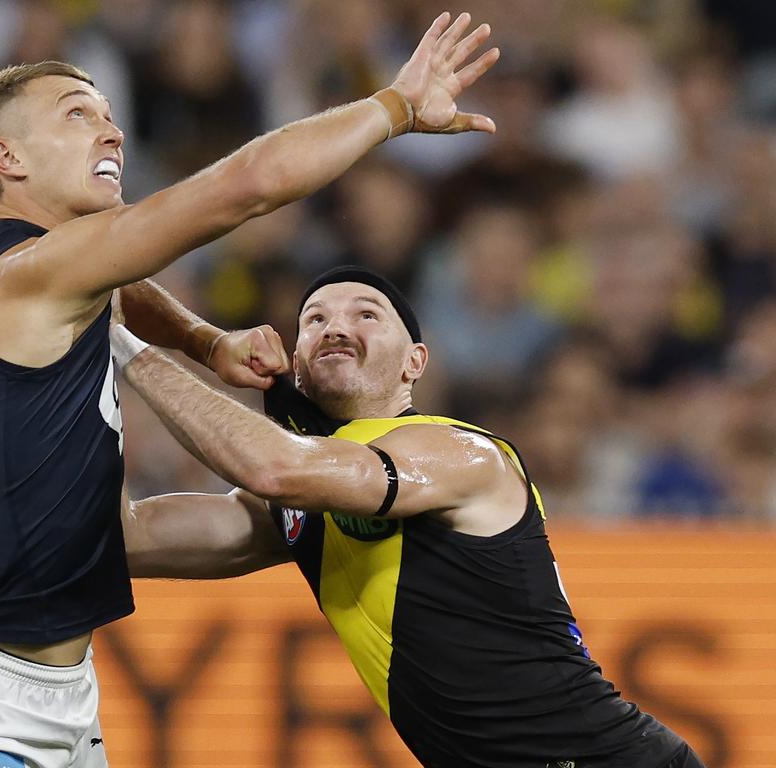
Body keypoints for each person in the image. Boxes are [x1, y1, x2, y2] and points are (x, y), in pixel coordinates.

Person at [0, 11, 502, 768]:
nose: (112, 133)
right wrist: (392, 108)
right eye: (77, 116)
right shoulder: (35, 273)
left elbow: (114, 286)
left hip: (54, 697)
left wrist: (204, 342)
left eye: (109, 116)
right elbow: (247, 187)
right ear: (8, 156)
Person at [111, 265, 707, 768]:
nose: (337, 326)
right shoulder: (297, 506)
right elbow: (129, 537)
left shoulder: (458, 453)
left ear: (414, 362)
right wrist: (81, 358)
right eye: (315, 319)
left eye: (366, 314)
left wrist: (124, 346)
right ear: (295, 362)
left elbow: (275, 467)